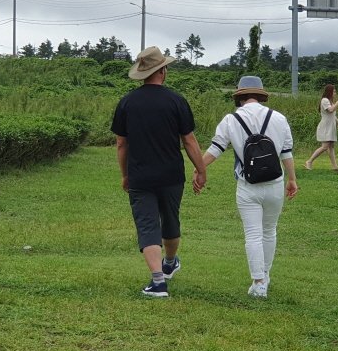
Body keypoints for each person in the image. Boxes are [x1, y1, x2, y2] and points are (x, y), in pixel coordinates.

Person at [111, 46, 206, 298]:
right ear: (162, 71)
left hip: (140, 175)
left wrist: (125, 174)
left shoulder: (127, 102)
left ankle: (157, 282)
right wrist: (201, 170)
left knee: (147, 225)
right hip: (172, 175)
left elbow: (122, 144)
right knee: (170, 219)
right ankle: (170, 262)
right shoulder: (176, 100)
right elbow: (189, 141)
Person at [199, 75, 298, 298]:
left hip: (247, 184)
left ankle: (259, 282)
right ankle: (266, 274)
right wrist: (292, 179)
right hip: (275, 183)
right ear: (260, 95)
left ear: (240, 95)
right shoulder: (279, 118)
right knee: (269, 230)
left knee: (252, 234)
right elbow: (286, 153)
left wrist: (199, 169)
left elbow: (215, 149)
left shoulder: (230, 120)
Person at [304, 83, 338, 171]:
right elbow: (331, 110)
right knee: (325, 146)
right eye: (334, 91)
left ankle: (335, 166)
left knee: (331, 146)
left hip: (330, 127)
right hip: (325, 127)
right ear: (329, 92)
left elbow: (333, 115)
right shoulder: (324, 100)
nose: (335, 93)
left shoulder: (330, 101)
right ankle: (309, 161)